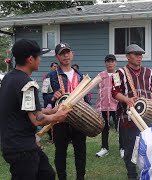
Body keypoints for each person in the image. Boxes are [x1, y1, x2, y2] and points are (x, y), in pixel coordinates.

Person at [0, 39, 71, 180]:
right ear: (30, 59)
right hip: (22, 149)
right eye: (39, 57)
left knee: (47, 175)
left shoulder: (9, 78)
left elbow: (27, 109)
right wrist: (59, 117)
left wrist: (52, 111)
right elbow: (37, 120)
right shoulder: (27, 84)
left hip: (16, 144)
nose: (40, 60)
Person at [111, 44, 152, 180]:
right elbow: (115, 92)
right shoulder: (119, 73)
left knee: (150, 147)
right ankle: (132, 176)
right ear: (127, 56)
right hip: (129, 118)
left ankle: (149, 174)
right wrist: (126, 99)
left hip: (149, 117)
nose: (139, 57)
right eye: (136, 54)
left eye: (141, 54)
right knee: (130, 149)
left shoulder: (149, 72)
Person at [43, 42, 90, 180]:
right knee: (60, 152)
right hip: (60, 120)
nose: (66, 55)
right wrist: (53, 96)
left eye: (67, 52)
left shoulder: (80, 75)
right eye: (62, 53)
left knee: (81, 151)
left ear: (72, 54)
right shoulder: (50, 76)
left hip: (78, 119)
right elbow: (45, 96)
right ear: (57, 56)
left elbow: (86, 97)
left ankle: (80, 177)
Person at [95, 54, 124, 158]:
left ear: (115, 63)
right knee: (104, 128)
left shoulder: (118, 75)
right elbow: (99, 89)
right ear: (105, 63)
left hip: (116, 106)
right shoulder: (101, 75)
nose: (110, 63)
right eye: (108, 61)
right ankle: (104, 148)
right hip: (104, 106)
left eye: (112, 61)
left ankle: (122, 148)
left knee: (119, 127)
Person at [42, 62, 59, 144]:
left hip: (58, 103)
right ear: (51, 67)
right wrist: (52, 99)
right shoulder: (47, 76)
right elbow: (44, 93)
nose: (56, 68)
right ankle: (51, 137)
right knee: (48, 121)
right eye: (54, 66)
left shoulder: (60, 77)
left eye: (57, 67)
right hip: (49, 102)